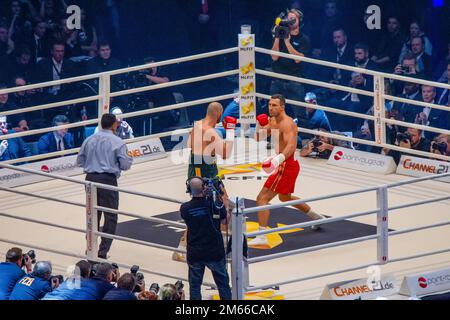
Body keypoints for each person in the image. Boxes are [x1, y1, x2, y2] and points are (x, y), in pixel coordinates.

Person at [248, 95, 325, 246]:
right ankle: (317, 217)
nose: (271, 108)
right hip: (285, 164)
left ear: (282, 106)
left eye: (275, 105)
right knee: (284, 198)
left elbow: (291, 146)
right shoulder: (273, 120)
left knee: (262, 199)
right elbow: (259, 138)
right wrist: (259, 125)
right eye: (270, 105)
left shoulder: (287, 123)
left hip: (286, 165)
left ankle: (262, 236)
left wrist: (278, 159)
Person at [173, 102, 236, 262]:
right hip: (206, 170)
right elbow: (226, 153)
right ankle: (219, 247)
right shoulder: (211, 132)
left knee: (205, 207)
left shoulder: (197, 124)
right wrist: (230, 131)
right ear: (219, 114)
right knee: (223, 206)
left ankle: (182, 248)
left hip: (198, 166)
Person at [77, 113, 133, 259]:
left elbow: (80, 161)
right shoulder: (118, 142)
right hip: (107, 180)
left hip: (90, 179)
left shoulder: (89, 140)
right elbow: (126, 165)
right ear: (114, 125)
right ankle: (102, 252)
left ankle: (91, 248)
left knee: (92, 214)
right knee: (110, 216)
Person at [180, 177, 232, 300]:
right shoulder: (215, 205)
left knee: (195, 287)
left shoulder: (185, 208)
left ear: (189, 189)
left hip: (195, 253)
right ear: (204, 188)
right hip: (215, 251)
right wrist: (222, 200)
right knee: (223, 285)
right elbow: (225, 221)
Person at [270, 8, 310, 121]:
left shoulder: (304, 39)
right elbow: (274, 57)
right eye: (289, 18)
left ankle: (304, 137)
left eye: (293, 19)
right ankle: (275, 137)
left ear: (299, 21)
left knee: (301, 115)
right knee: (274, 114)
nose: (290, 20)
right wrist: (278, 37)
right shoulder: (280, 34)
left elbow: (298, 59)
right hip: (278, 79)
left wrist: (287, 42)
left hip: (294, 81)